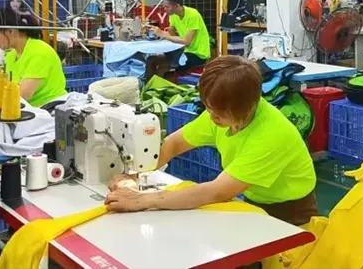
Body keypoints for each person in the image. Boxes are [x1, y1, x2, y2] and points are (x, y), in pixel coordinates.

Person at [105, 56, 318, 226]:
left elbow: (216, 191)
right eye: (208, 107)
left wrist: (142, 200)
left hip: (291, 214)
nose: (211, 116)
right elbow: (173, 144)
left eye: (219, 113)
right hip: (255, 199)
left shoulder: (271, 135)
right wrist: (134, 174)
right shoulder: (220, 112)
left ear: (247, 107)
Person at [0, 9, 66, 107]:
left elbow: (23, 95)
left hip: (51, 109)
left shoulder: (40, 52)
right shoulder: (11, 56)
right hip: (30, 109)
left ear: (10, 31)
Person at [146, 0, 211, 68]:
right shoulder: (173, 15)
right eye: (164, 7)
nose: (164, 9)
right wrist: (157, 33)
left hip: (198, 54)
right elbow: (171, 34)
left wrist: (164, 35)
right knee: (151, 60)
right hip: (184, 50)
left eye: (167, 7)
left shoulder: (193, 15)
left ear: (177, 6)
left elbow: (187, 42)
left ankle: (167, 76)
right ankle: (152, 77)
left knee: (167, 63)